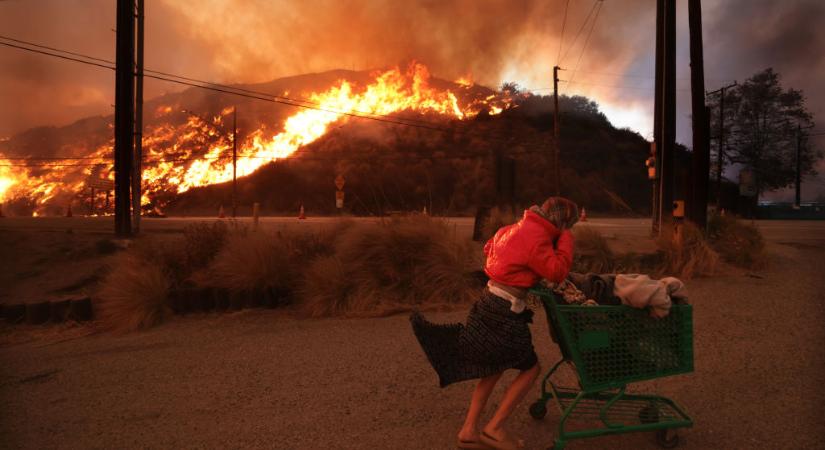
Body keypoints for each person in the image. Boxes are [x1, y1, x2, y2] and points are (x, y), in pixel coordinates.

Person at [410, 197, 578, 450]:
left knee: (493, 367)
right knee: (530, 368)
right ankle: (494, 428)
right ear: (562, 222)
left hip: (488, 300)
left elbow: (488, 248)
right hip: (505, 309)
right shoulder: (537, 236)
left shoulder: (513, 228)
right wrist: (565, 240)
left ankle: (469, 431)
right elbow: (556, 271)